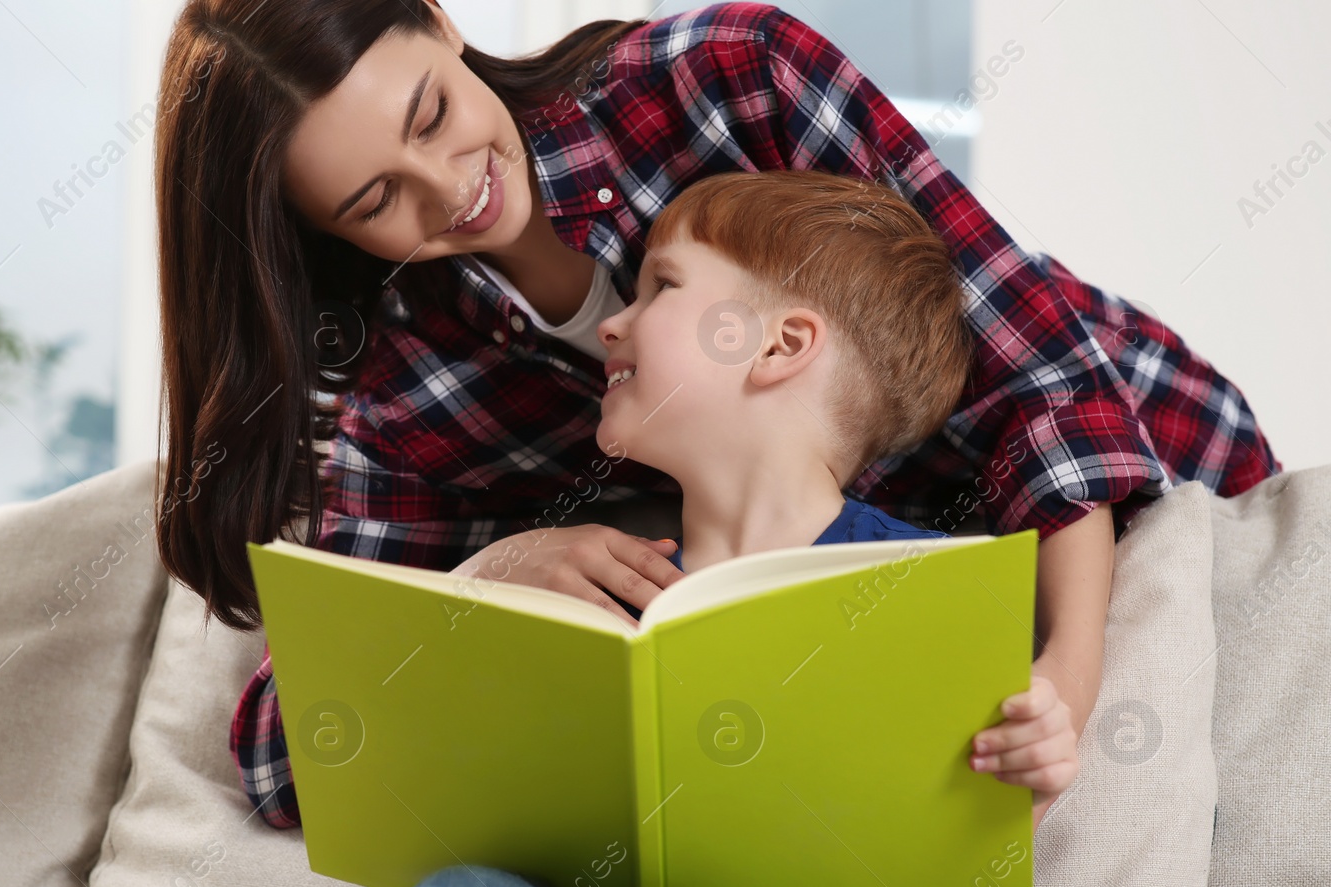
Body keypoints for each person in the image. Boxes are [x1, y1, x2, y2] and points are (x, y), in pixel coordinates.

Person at [145, 0, 1278, 840]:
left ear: (438, 26)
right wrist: (483, 579)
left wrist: (1070, 673)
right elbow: (294, 748)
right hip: (890, 624)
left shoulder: (730, 78)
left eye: (432, 114)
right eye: (373, 200)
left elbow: (1045, 386)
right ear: (328, 238)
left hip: (1150, 473)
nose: (447, 189)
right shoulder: (411, 387)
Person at [190, 167, 1080, 887]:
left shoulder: (918, 585)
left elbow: (973, 830)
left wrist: (1032, 762)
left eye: (661, 286)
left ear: (777, 345)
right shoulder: (604, 584)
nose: (611, 320)